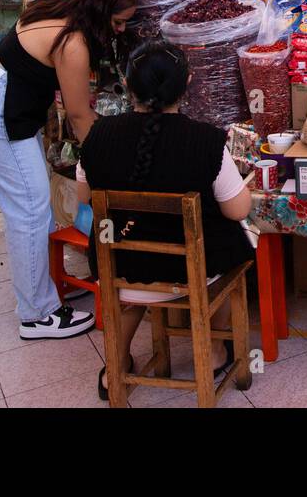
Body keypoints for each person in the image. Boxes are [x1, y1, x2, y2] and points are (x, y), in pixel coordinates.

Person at [0, 0, 138, 339]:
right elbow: (79, 115)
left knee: (28, 208)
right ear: (101, 12)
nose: (119, 31)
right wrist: (106, 161)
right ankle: (38, 315)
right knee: (30, 210)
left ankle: (40, 295)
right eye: (117, 22)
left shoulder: (58, 7)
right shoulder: (72, 42)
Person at [77, 41, 253, 401]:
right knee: (237, 236)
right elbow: (237, 210)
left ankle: (115, 367)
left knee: (135, 270)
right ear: (188, 83)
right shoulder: (205, 140)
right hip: (190, 273)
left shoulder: (98, 136)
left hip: (118, 270)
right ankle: (217, 352)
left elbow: (85, 198)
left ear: (127, 86)